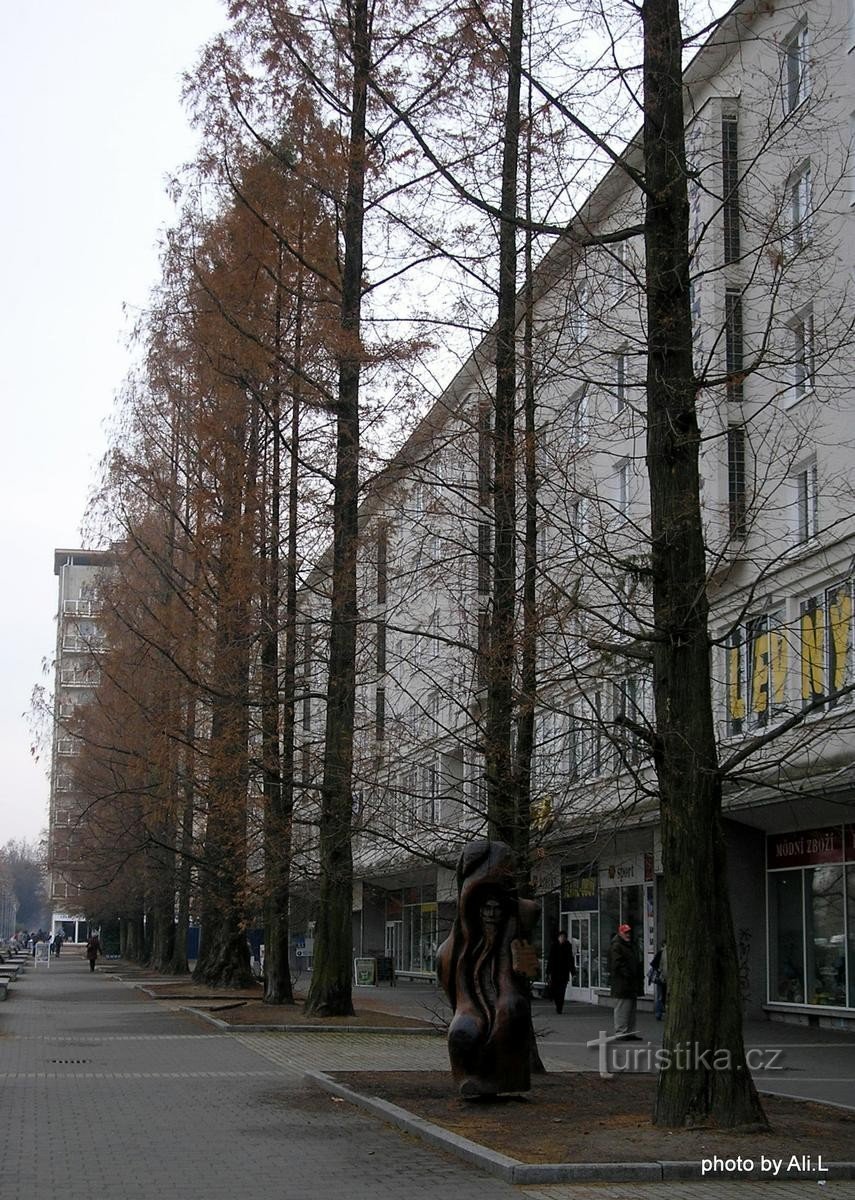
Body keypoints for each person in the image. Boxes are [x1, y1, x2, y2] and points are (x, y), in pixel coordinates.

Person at [607, 922, 642, 1039]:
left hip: (630, 982)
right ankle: (621, 1032)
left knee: (630, 1009)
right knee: (622, 1008)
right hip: (622, 983)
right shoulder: (616, 946)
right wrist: (627, 974)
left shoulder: (629, 945)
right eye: (625, 932)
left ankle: (629, 1032)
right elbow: (617, 964)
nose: (628, 934)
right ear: (620, 933)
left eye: (628, 932)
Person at [546, 930, 575, 1014]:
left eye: (564, 937)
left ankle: (559, 1007)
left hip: (564, 973)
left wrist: (572, 972)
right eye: (561, 937)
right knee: (555, 990)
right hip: (555, 973)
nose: (562, 939)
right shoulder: (554, 946)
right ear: (558, 937)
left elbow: (570, 960)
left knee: (562, 991)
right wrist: (548, 972)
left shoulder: (568, 946)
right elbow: (550, 959)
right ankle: (557, 1002)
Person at [648, 939, 667, 1019]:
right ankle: (659, 1012)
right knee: (661, 996)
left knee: (660, 995)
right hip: (662, 977)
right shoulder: (663, 953)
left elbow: (653, 964)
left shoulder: (661, 952)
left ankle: (659, 1013)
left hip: (660, 977)